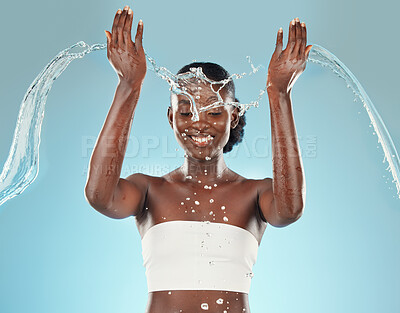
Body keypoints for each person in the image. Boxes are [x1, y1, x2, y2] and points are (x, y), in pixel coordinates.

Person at [85, 5, 312, 313]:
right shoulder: (149, 191)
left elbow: (290, 209)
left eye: (214, 111)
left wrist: (279, 94)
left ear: (233, 116)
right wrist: (129, 85)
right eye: (185, 111)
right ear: (170, 118)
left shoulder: (256, 194)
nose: (199, 123)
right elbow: (100, 196)